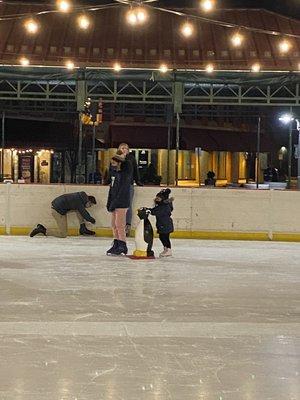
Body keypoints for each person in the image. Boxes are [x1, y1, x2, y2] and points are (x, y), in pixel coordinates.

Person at [30, 192, 97, 238]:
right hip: (57, 211)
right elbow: (85, 214)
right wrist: (92, 220)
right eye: (90, 205)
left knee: (79, 210)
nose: (89, 207)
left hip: (59, 207)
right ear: (88, 201)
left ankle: (83, 228)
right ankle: (43, 230)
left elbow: (82, 211)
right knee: (63, 234)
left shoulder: (80, 197)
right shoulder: (79, 202)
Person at [106, 151, 132, 256]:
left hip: (122, 202)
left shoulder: (125, 173)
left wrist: (122, 157)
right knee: (113, 224)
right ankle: (116, 243)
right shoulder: (114, 174)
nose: (112, 165)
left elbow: (122, 190)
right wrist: (109, 202)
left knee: (119, 225)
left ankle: (123, 244)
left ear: (119, 162)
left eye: (114, 163)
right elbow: (112, 189)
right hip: (115, 202)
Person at [118, 143, 143, 236]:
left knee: (128, 205)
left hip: (128, 184)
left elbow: (135, 170)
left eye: (126, 148)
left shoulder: (131, 158)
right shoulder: (116, 158)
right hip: (118, 185)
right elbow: (112, 170)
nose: (124, 150)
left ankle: (127, 227)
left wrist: (138, 181)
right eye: (122, 148)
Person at [149, 188, 174, 258]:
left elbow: (155, 211)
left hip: (165, 224)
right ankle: (166, 248)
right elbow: (154, 210)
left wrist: (148, 210)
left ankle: (168, 250)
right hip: (163, 224)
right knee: (162, 237)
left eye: (158, 198)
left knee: (165, 237)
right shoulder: (161, 205)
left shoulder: (163, 206)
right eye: (156, 197)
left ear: (162, 199)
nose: (156, 199)